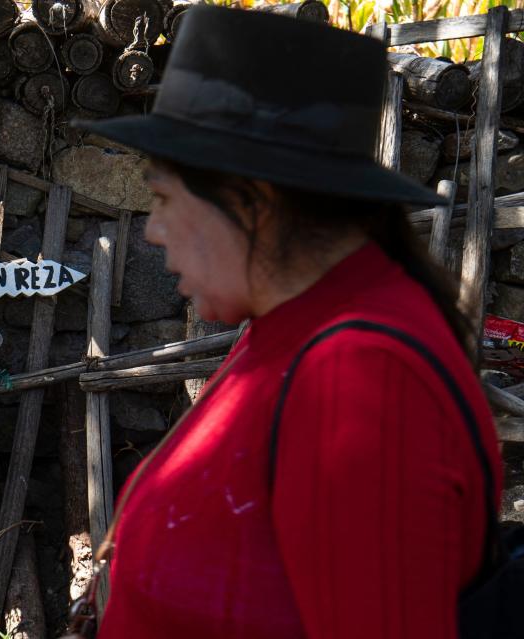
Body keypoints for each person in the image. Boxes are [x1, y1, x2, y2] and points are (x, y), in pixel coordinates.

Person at [68, 5, 503, 638]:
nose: (153, 231)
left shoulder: (361, 378)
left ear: (254, 203)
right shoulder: (291, 333)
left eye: (163, 198)